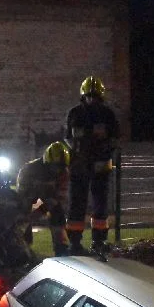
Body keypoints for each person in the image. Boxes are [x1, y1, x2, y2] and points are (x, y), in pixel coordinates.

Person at [64, 75, 119, 255]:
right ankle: (75, 243)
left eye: (94, 96)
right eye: (89, 96)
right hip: (79, 166)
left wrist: (105, 154)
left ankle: (99, 241)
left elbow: (115, 139)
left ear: (100, 97)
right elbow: (68, 138)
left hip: (101, 165)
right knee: (76, 204)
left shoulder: (107, 114)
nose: (91, 100)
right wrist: (76, 156)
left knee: (100, 204)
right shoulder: (75, 113)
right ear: (83, 95)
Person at [17, 141, 71, 255]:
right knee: (22, 212)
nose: (57, 170)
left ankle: (61, 246)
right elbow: (22, 196)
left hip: (50, 198)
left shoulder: (64, 173)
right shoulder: (29, 170)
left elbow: (58, 198)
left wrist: (41, 211)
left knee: (58, 213)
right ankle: (23, 247)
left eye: (60, 166)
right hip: (30, 195)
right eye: (54, 166)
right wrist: (29, 214)